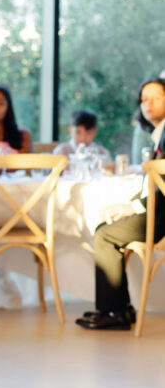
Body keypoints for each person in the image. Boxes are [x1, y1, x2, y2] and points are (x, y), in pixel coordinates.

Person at [76, 77, 165, 330]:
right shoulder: (159, 134)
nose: (148, 104)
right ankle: (119, 309)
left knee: (105, 235)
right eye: (144, 99)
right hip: (158, 210)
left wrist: (134, 208)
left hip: (162, 216)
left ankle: (114, 312)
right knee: (105, 226)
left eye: (156, 97)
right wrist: (132, 206)